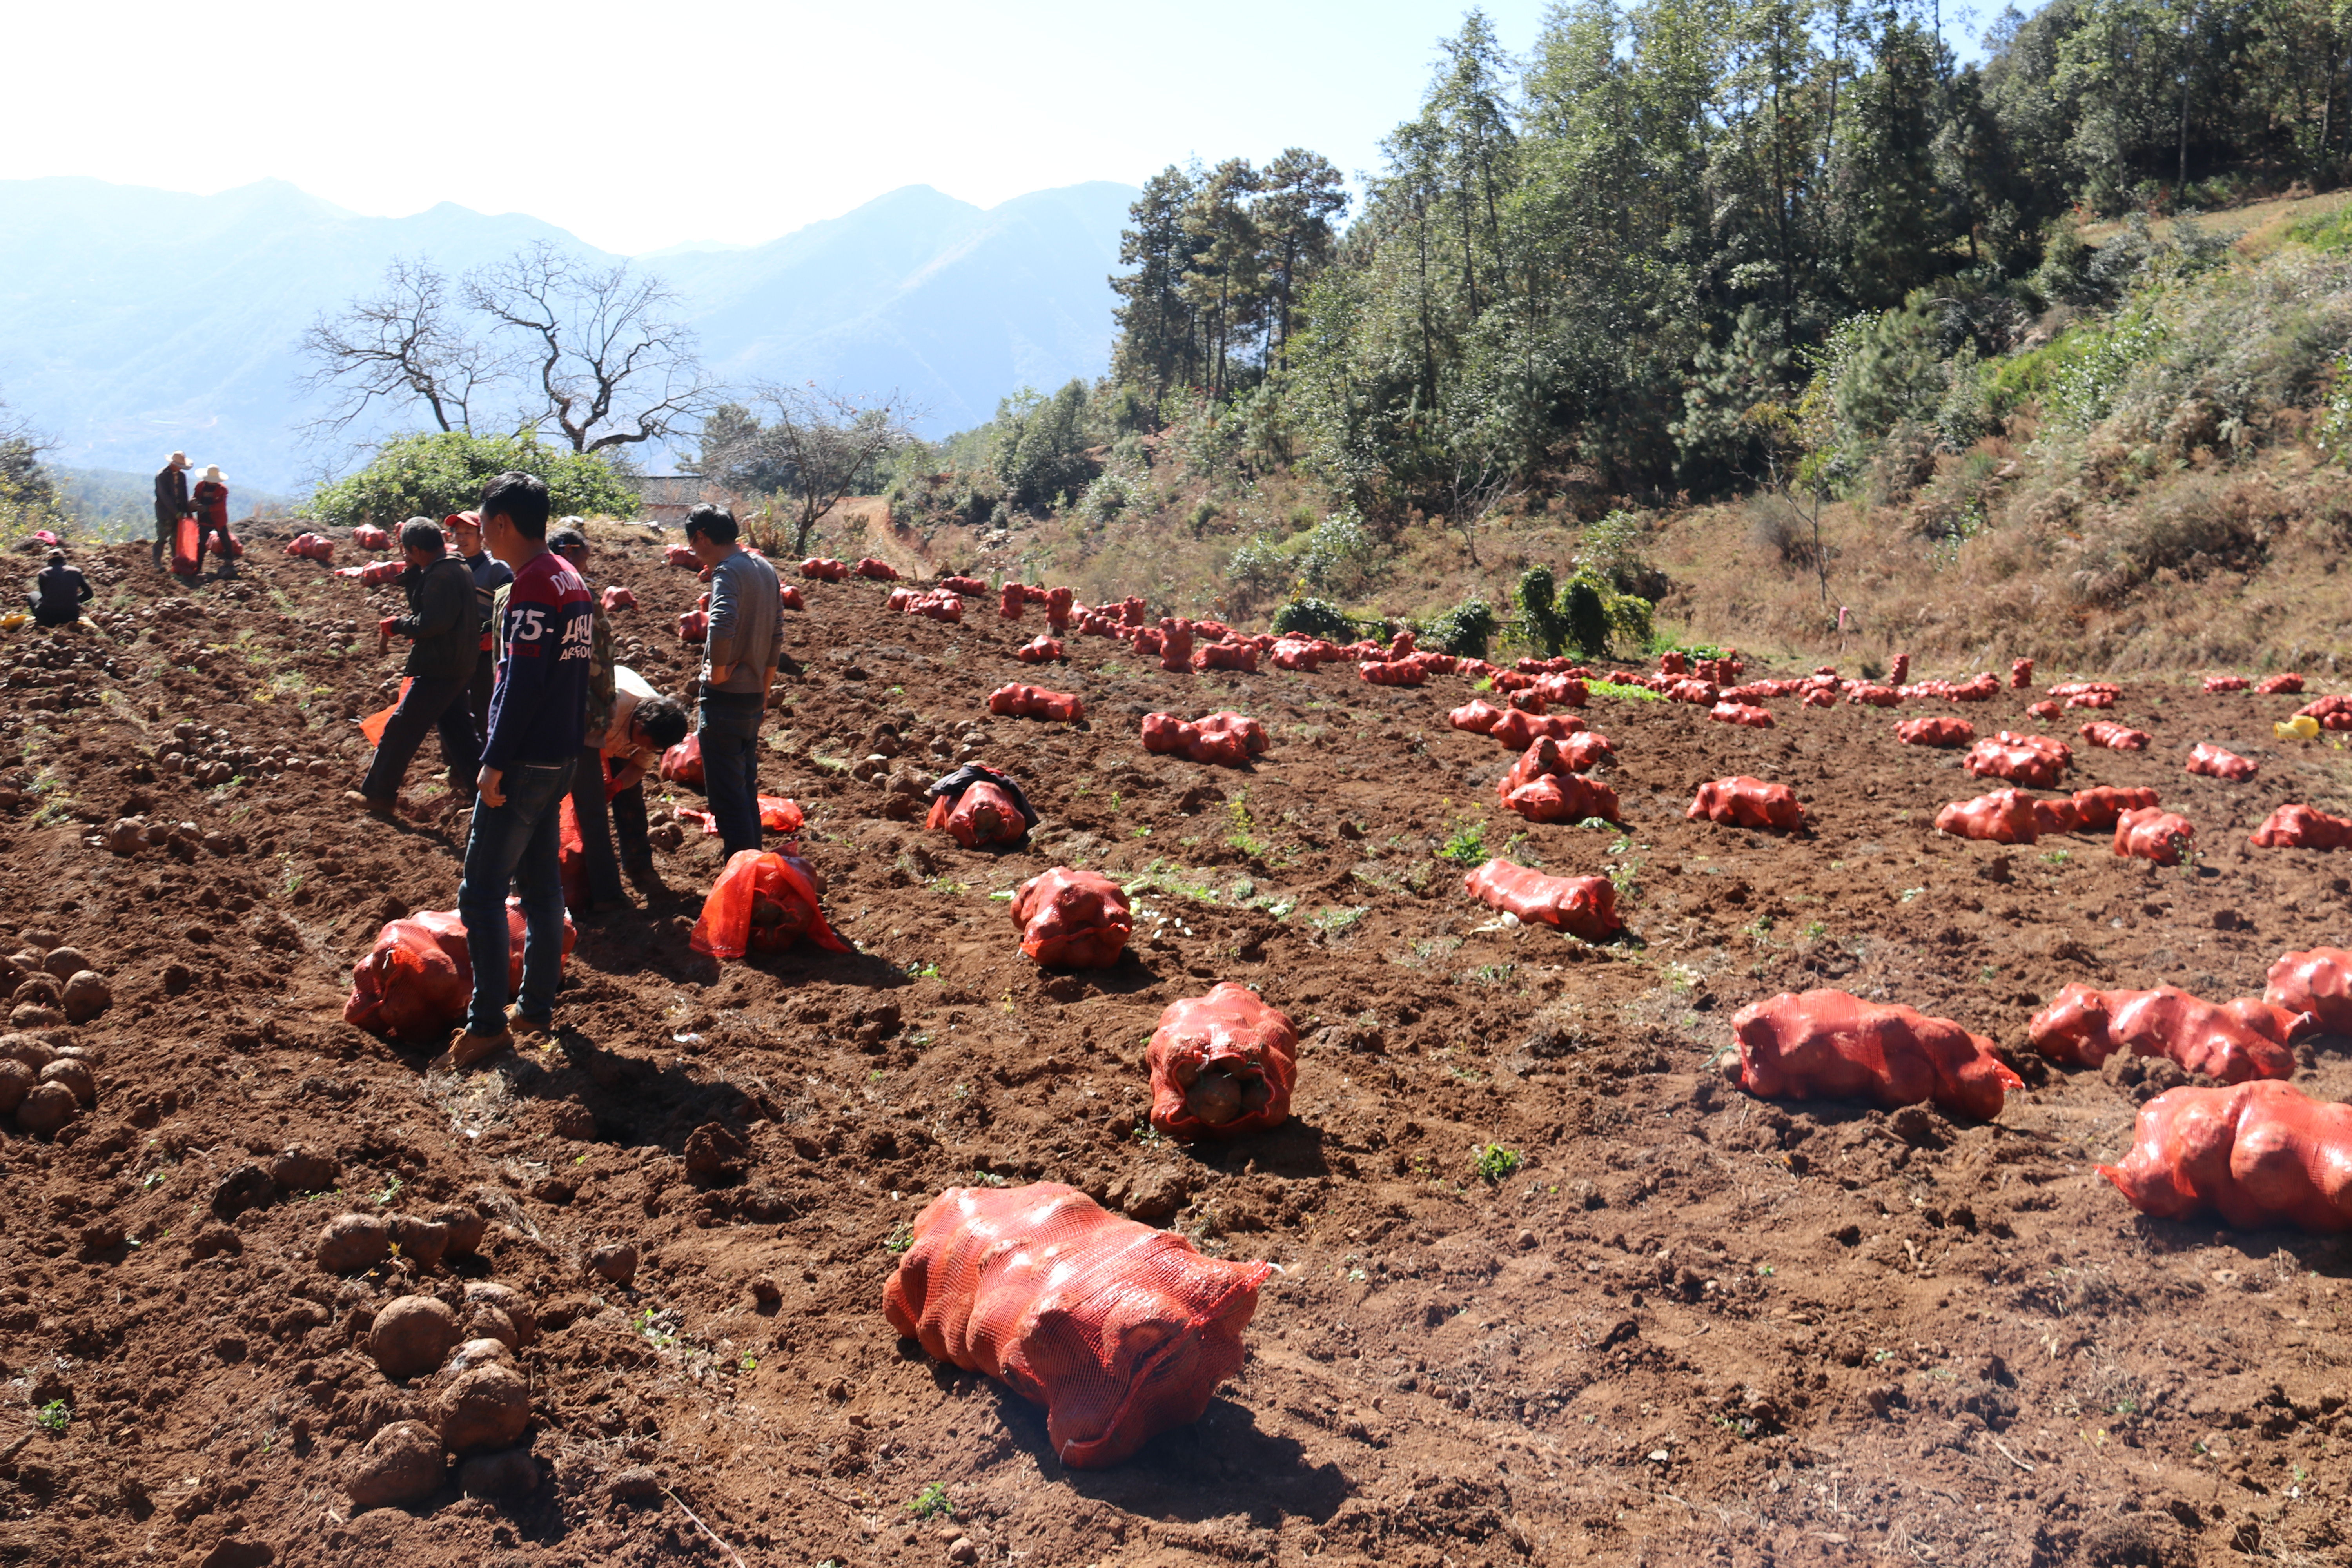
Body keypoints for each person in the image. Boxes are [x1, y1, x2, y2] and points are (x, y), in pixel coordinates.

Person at [438, 471, 592, 1074]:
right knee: (542, 887)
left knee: (481, 894)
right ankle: (534, 1007)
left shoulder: (530, 586)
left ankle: (486, 1026)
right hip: (561, 755)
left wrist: (494, 761)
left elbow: (521, 683)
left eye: (483, 522)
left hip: (525, 759)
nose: (480, 532)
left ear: (502, 523)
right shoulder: (569, 576)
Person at [346, 519, 480, 817]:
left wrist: (398, 626)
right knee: (460, 733)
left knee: (400, 729)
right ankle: (485, 796)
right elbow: (430, 610)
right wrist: (411, 574)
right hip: (459, 664)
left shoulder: (441, 575)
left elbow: (432, 622)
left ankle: (379, 795)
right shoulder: (454, 567)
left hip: (440, 667)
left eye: (408, 551)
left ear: (416, 550)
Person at [685, 503, 784, 855]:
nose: (693, 551)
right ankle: (752, 866)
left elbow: (722, 623)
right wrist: (764, 691)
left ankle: (742, 874)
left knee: (727, 801)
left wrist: (719, 672)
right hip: (753, 698)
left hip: (725, 701)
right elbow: (776, 634)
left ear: (701, 536)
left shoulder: (727, 571)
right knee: (744, 791)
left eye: (692, 543)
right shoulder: (765, 567)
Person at [547, 526, 628, 913]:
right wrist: (605, 705)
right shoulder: (581, 594)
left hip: (550, 717)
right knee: (591, 810)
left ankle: (536, 893)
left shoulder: (532, 590)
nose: (589, 560)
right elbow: (601, 658)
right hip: (582, 716)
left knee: (536, 809)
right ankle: (606, 894)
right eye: (585, 552)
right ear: (569, 551)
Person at [444, 508, 513, 756]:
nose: (462, 538)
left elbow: (510, 607)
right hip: (453, 650)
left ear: (481, 536)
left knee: (482, 706)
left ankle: (484, 759)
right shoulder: (450, 565)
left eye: (468, 533)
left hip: (483, 652)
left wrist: (492, 634)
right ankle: (454, 761)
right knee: (451, 707)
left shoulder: (497, 569)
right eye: (458, 533)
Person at [189, 464, 235, 578]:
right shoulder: (200, 486)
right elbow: (196, 497)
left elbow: (221, 505)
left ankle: (229, 560)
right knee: (201, 543)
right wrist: (193, 502)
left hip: (218, 519)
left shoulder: (222, 490)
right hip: (204, 519)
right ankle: (198, 566)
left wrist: (207, 508)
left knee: (225, 538)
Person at [151, 451, 192, 571]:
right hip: (165, 513)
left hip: (179, 512)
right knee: (162, 538)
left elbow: (184, 495)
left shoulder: (182, 476)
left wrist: (187, 512)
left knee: (176, 539)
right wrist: (176, 512)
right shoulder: (162, 476)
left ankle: (176, 562)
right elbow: (164, 497)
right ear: (173, 464)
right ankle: (157, 563)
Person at [29, 550, 91, 628]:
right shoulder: (76, 572)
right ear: (64, 561)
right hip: (71, 617)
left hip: (47, 618)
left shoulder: (43, 573)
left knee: (33, 595)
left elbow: (44, 595)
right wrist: (75, 600)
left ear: (49, 563)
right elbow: (89, 594)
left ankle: (40, 621)